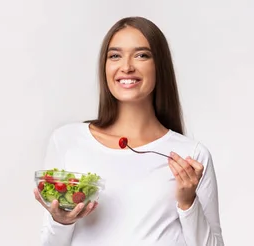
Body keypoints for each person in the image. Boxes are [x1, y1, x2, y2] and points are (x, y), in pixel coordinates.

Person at [34, 16, 224, 246]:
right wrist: (60, 221)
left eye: (141, 55)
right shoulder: (67, 141)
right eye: (115, 56)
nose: (126, 67)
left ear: (159, 66)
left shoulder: (190, 156)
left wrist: (188, 203)